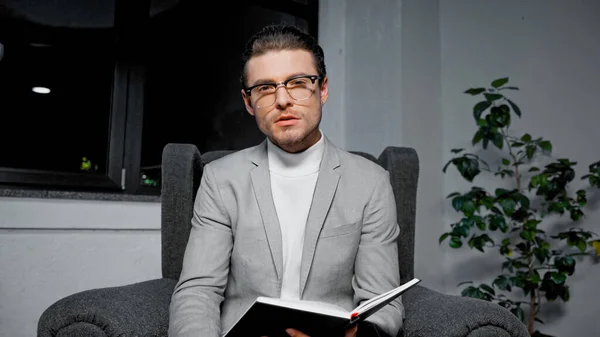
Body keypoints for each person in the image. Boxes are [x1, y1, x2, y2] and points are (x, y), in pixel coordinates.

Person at [168, 24, 404, 337]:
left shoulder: (370, 182)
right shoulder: (220, 180)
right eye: (265, 88)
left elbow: (381, 302)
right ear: (249, 103)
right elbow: (197, 292)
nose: (282, 100)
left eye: (298, 83)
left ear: (322, 89)